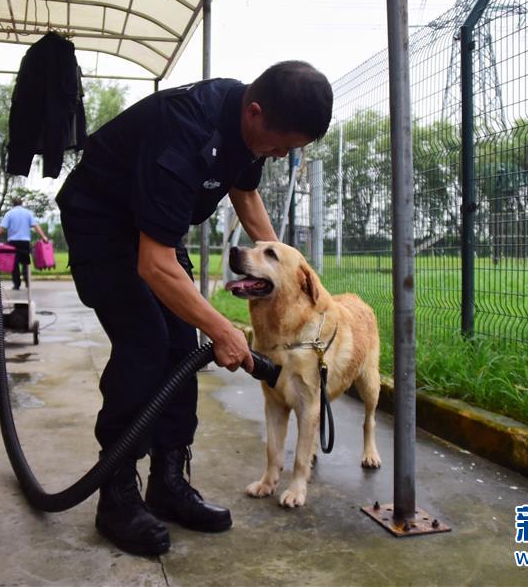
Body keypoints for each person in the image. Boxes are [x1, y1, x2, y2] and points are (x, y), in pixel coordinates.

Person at [55, 60, 333, 556]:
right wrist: (224, 329)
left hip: (151, 228)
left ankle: (168, 481)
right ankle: (116, 495)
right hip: (101, 221)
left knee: (182, 346)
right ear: (255, 112)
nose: (280, 155)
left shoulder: (247, 130)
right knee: (146, 342)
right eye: (282, 146)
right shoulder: (183, 130)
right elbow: (155, 264)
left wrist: (284, 268)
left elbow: (243, 191)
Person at [0, 198, 49, 290]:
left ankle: (17, 285)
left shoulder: (9, 213)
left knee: (14, 264)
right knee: (26, 263)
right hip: (25, 242)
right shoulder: (28, 213)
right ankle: (27, 283)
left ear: (13, 204)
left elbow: (2, 227)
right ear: (21, 204)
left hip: (12, 242)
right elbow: (36, 226)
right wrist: (43, 237)